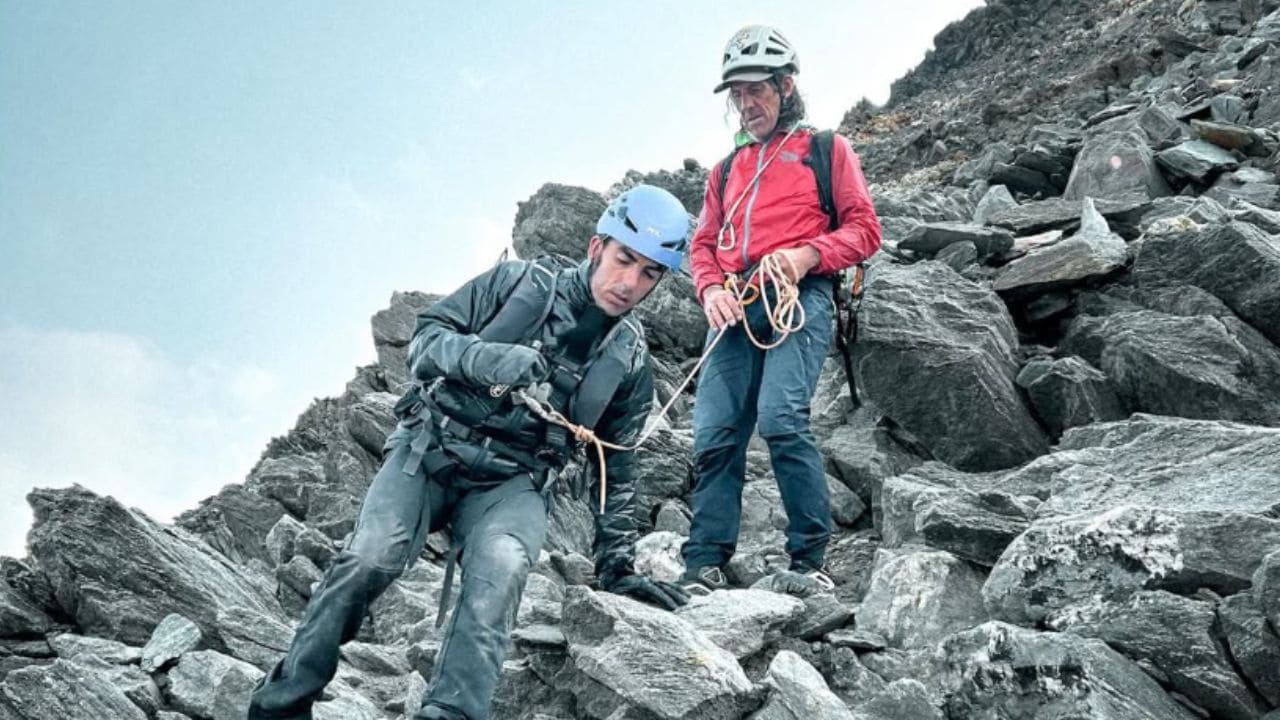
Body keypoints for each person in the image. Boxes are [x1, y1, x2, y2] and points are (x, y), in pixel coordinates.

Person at [248, 184, 693, 720]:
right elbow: (425, 340)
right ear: (598, 247)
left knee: (502, 571)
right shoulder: (519, 281)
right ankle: (280, 706)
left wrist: (617, 567)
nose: (630, 283)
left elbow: (616, 466)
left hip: (515, 481)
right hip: (431, 448)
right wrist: (488, 359)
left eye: (649, 273)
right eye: (625, 260)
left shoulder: (629, 360)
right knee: (372, 555)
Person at [679, 25, 883, 596]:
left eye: (757, 91)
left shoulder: (825, 149)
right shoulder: (723, 173)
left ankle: (808, 560)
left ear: (785, 86)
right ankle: (704, 563)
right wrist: (711, 291)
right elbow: (703, 245)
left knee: (781, 420)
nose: (746, 106)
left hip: (799, 296)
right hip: (734, 306)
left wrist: (806, 255)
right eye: (736, 95)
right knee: (716, 434)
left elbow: (865, 230)